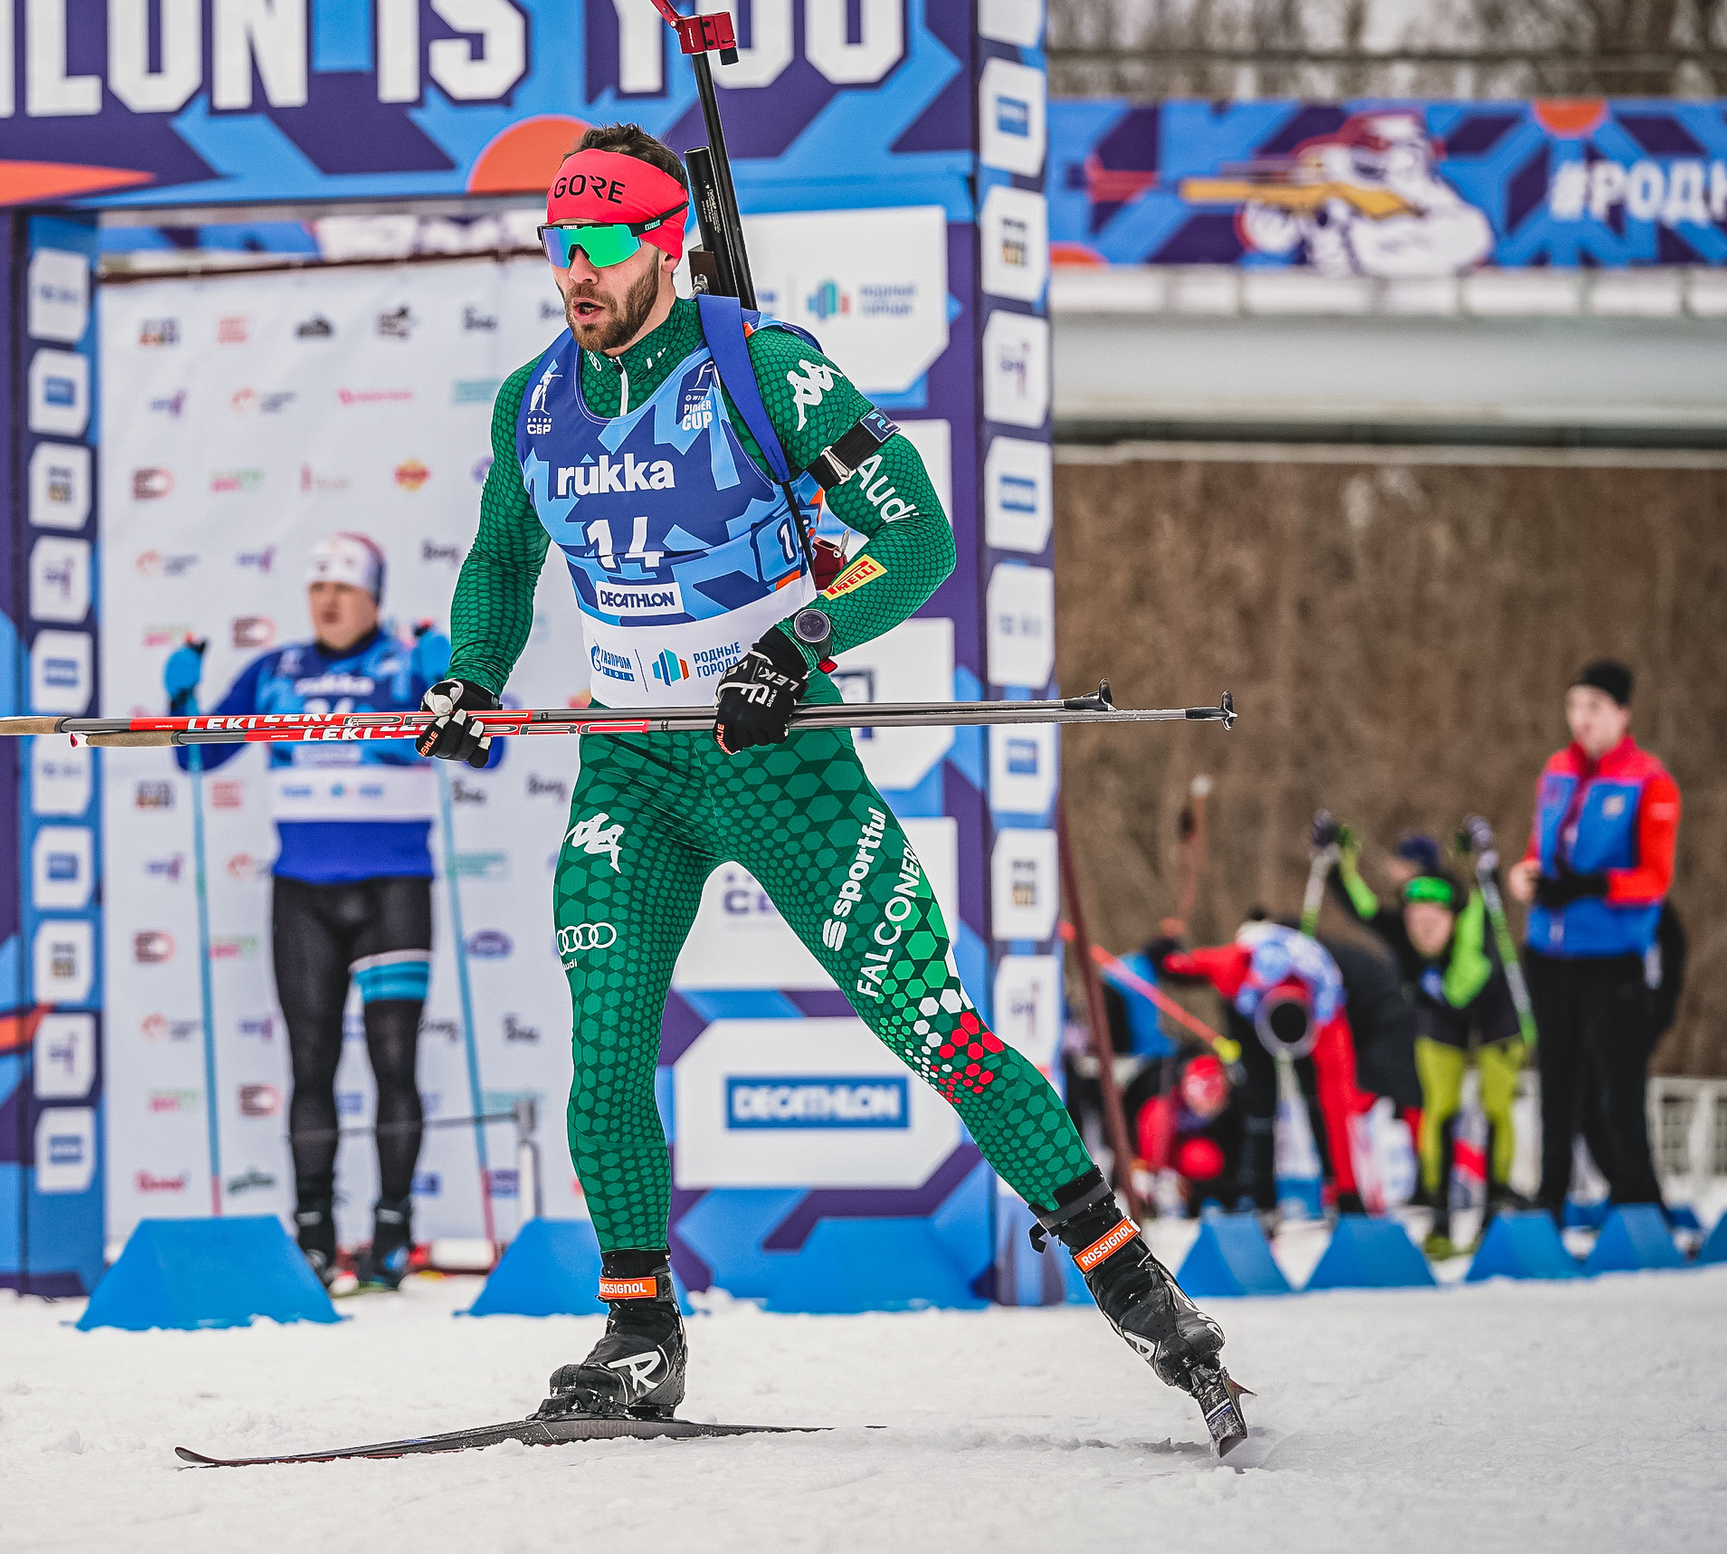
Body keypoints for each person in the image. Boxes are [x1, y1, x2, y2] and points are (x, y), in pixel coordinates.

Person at [415, 123, 1235, 1429]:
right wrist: (468, 673)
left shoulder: (765, 369)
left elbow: (917, 537)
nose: (577, 268)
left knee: (931, 1023)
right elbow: (500, 565)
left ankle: (1137, 1285)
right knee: (607, 1049)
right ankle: (639, 1331)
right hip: (630, 763)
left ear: (664, 243)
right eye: (559, 243)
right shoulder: (535, 397)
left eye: (607, 243)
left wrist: (794, 643)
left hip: (777, 761)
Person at [166, 535, 472, 1291]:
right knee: (311, 1065)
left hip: (394, 889)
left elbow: (483, 754)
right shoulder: (277, 671)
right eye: (317, 588)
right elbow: (196, 755)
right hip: (301, 890)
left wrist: (449, 690)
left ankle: (393, 1233)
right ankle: (313, 1236)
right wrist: (182, 700)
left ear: (374, 595)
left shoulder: (405, 663)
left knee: (393, 1060)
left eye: (344, 586)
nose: (329, 600)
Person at [1508, 659, 1676, 1220]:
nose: (1582, 719)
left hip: (1610, 957)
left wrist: (1593, 885)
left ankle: (1639, 1200)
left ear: (1622, 714)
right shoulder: (1556, 770)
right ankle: (1550, 1194)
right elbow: (1540, 847)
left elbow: (1655, 878)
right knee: (1556, 1082)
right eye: (1575, 706)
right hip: (1549, 952)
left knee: (1617, 1085)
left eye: (1595, 708)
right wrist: (1528, 875)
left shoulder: (1649, 782)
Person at [1343, 832, 1528, 1252]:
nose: (1423, 929)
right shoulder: (1406, 929)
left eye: (1434, 920)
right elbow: (1364, 909)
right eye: (1415, 920)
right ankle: (1440, 1212)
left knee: (1495, 1108)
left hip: (1494, 1013)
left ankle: (1494, 1211)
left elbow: (1465, 981)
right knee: (1440, 1109)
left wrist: (1487, 861)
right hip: (1442, 1019)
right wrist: (1341, 860)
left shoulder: (1471, 932)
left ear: (1452, 916)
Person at [1152, 919, 1369, 1215]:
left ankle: (1336, 1189)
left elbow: (1338, 1104)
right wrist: (1166, 952)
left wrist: (1349, 1191)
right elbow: (1182, 966)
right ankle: (1258, 1195)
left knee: (1319, 1100)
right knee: (1260, 1099)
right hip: (1248, 1013)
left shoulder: (1327, 1006)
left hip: (1307, 1019)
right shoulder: (1234, 967)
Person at [1126, 1051, 1242, 1216]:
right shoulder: (1161, 1092)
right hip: (1148, 1153)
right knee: (1158, 1113)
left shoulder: (1225, 1108)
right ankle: (1150, 1182)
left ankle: (1177, 1192)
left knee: (1208, 1159)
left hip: (1181, 1154)